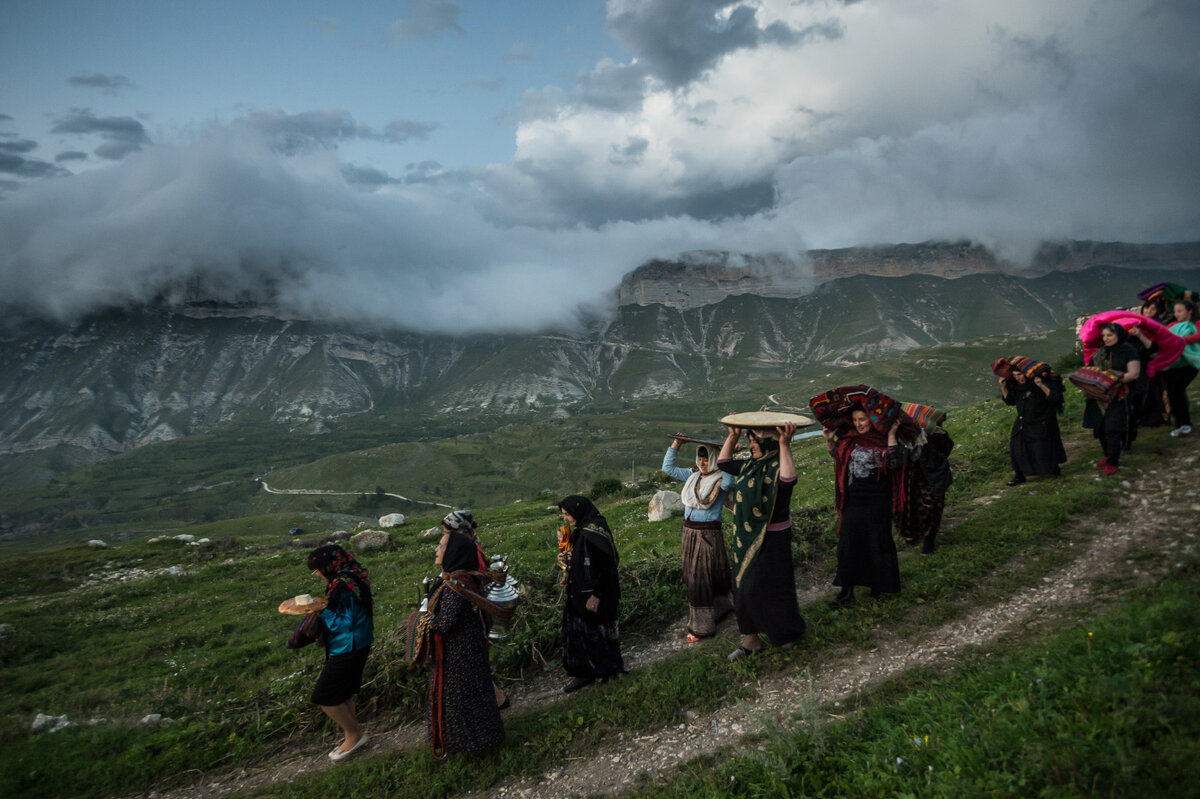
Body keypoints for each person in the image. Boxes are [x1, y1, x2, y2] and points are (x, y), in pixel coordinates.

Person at [718, 423, 806, 661]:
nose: (751, 446)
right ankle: (750, 640)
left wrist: (784, 445)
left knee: (773, 587)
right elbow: (723, 463)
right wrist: (732, 435)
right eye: (750, 442)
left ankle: (785, 633)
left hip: (774, 539)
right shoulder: (749, 466)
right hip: (745, 539)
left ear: (768, 444)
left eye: (755, 442)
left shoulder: (777, 466)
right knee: (743, 588)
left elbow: (788, 481)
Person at [286, 545, 374, 762]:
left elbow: (346, 624)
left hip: (348, 647)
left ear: (328, 566)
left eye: (318, 569)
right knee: (343, 693)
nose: (317, 574)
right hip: (355, 644)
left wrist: (322, 611)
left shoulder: (344, 586)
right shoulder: (350, 577)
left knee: (325, 696)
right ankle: (353, 734)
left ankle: (354, 734)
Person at [425, 530, 506, 759]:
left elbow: (443, 624)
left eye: (441, 545)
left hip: (458, 655)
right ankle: (486, 739)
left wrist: (422, 619)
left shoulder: (454, 585)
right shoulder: (467, 578)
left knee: (460, 700)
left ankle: (469, 744)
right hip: (471, 649)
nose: (437, 549)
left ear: (453, 552)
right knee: (477, 696)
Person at [823, 410, 903, 607]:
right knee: (848, 543)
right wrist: (829, 440)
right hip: (854, 499)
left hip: (878, 500)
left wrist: (892, 434)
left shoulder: (883, 439)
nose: (858, 424)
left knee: (877, 542)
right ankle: (846, 591)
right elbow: (839, 458)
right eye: (855, 420)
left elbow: (894, 463)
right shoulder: (852, 439)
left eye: (862, 419)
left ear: (872, 419)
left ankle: (878, 585)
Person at [661, 436, 735, 642]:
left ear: (714, 459)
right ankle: (721, 608)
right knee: (703, 575)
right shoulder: (694, 475)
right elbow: (668, 469)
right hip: (689, 532)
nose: (702, 463)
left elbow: (729, 481)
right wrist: (676, 445)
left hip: (707, 534)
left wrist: (726, 455)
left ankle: (701, 628)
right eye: (699, 459)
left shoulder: (721, 478)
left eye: (706, 459)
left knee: (699, 579)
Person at [440, 509, 511, 710]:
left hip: (473, 613)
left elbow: (472, 583)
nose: (444, 537)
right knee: (477, 665)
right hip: (474, 610)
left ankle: (494, 701)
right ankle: (495, 699)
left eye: (446, 533)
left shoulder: (469, 552)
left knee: (475, 665)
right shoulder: (470, 547)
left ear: (459, 532)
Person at [556, 495, 625, 693]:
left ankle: (606, 671)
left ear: (578, 510)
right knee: (580, 633)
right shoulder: (584, 530)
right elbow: (581, 559)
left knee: (597, 631)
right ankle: (585, 673)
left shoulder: (594, 532)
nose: (566, 519)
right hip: (580, 593)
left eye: (567, 514)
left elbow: (608, 566)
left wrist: (597, 594)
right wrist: (567, 558)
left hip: (595, 595)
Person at [1083, 322, 1141, 475]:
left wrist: (1111, 381)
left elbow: (1134, 373)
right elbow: (1090, 371)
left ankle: (1113, 462)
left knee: (1112, 429)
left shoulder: (1129, 351)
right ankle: (1108, 456)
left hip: (1119, 395)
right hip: (1098, 396)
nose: (1106, 338)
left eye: (1110, 335)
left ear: (1119, 335)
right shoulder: (1099, 354)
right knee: (1100, 428)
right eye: (1104, 335)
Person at [999, 360, 1067, 486]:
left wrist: (1041, 386)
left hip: (1041, 421)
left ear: (1025, 373)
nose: (1017, 378)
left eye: (1019, 374)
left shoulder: (1037, 383)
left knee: (1043, 447)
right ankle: (1019, 475)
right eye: (1014, 375)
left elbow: (1055, 397)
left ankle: (1053, 468)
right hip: (1023, 421)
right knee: (1016, 448)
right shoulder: (1018, 387)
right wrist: (1003, 387)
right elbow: (1010, 401)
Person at [895, 425, 953, 554]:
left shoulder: (932, 431)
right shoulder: (896, 432)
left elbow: (947, 446)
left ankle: (929, 538)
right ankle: (911, 533)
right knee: (908, 505)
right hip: (908, 475)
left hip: (931, 473)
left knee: (932, 504)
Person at [1164, 298, 1199, 437]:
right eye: (1175, 311)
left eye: (1180, 311)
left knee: (1177, 389)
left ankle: (1185, 424)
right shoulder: (1172, 325)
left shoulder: (1196, 324)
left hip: (1190, 363)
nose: (1177, 314)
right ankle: (1179, 424)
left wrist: (1179, 341)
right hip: (1173, 363)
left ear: (1189, 311)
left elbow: (1198, 336)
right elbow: (1165, 338)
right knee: (1172, 392)